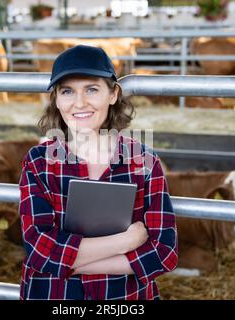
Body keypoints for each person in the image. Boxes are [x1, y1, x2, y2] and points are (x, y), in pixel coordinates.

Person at [18, 45, 178, 300]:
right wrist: (126, 242)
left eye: (92, 89)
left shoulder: (144, 162)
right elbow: (39, 249)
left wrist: (69, 265)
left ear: (113, 94)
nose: (79, 103)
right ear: (57, 100)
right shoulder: (39, 161)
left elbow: (164, 253)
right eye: (67, 91)